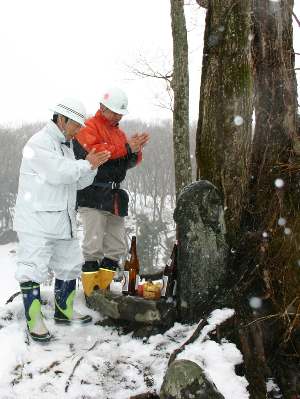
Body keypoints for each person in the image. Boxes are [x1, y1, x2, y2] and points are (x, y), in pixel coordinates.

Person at [13, 98, 111, 342]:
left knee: (69, 264)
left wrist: (92, 167)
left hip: (61, 219)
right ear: (61, 119)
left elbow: (75, 181)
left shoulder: (66, 147)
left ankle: (64, 311)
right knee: (32, 268)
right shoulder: (39, 143)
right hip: (37, 220)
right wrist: (85, 164)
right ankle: (34, 320)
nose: (78, 130)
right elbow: (58, 173)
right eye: (75, 124)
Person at [73, 87, 149, 295]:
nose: (117, 116)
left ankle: (103, 289)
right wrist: (125, 148)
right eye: (114, 111)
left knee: (116, 247)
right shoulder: (88, 127)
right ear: (102, 107)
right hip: (93, 193)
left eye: (120, 112)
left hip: (114, 196)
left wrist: (135, 150)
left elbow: (124, 163)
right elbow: (98, 153)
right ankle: (90, 294)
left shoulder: (119, 133)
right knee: (93, 247)